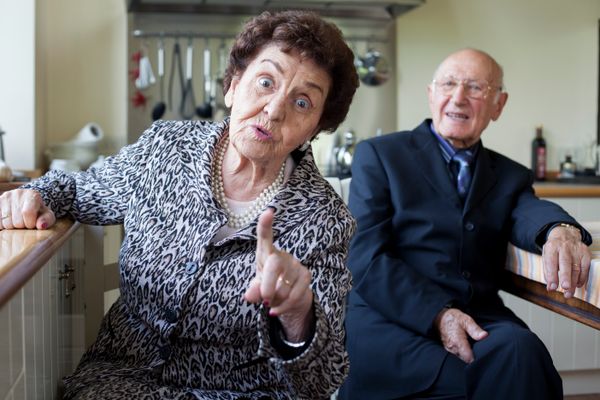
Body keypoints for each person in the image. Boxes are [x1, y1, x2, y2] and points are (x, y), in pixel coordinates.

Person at [0, 10, 359, 399]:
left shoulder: (323, 217)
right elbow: (78, 190)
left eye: (303, 102)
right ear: (233, 86)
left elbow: (321, 381)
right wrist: (37, 195)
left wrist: (297, 315)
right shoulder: (166, 148)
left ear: (316, 128)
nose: (274, 110)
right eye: (266, 82)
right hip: (121, 383)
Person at [338, 48, 592, 400]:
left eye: (475, 87)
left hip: (477, 319)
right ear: (431, 95)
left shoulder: (509, 174)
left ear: (498, 105)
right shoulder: (380, 156)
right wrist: (439, 315)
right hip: (391, 322)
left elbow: (529, 211)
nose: (458, 97)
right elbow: (364, 257)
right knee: (502, 381)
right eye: (448, 84)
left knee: (523, 353)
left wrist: (560, 231)